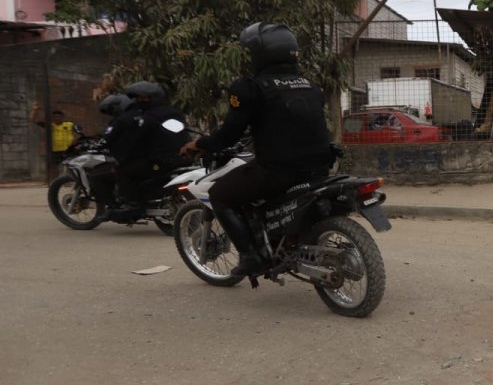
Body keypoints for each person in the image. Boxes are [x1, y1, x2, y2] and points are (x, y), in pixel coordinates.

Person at [180, 22, 333, 276]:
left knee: (220, 194)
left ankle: (251, 257)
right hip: (319, 166)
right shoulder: (309, 85)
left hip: (278, 171)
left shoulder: (250, 87)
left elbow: (229, 133)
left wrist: (199, 144)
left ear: (260, 53)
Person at [106, 82, 190, 220]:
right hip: (182, 157)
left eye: (143, 98)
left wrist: (125, 157)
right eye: (138, 99)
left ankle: (134, 205)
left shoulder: (150, 116)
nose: (139, 101)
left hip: (162, 160)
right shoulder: (174, 112)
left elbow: (139, 140)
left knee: (124, 170)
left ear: (154, 98)